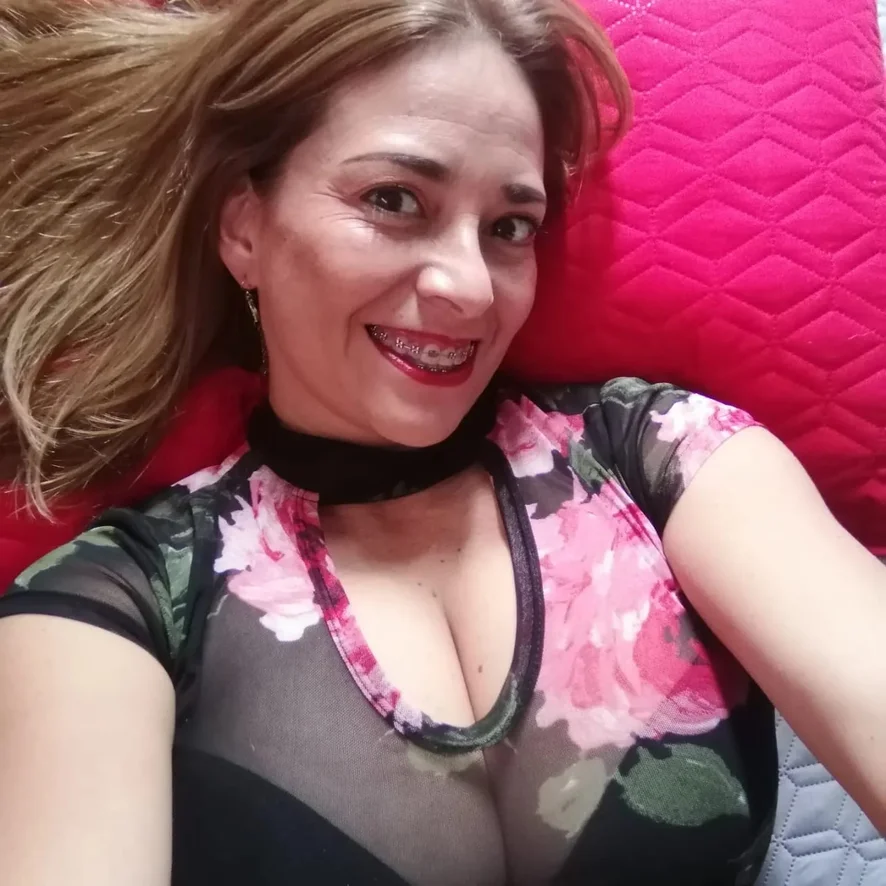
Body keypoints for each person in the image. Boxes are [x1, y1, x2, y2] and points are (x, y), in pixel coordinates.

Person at [0, 0, 883, 884]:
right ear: (243, 227)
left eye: (509, 227)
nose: (471, 288)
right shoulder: (118, 600)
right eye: (393, 200)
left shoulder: (664, 456)